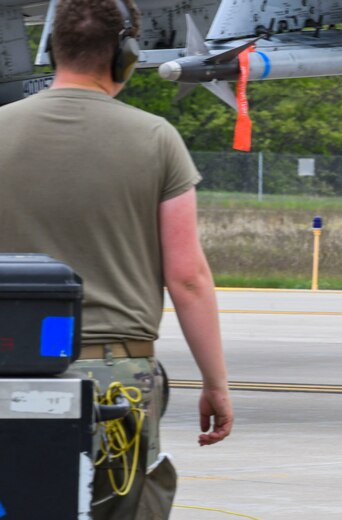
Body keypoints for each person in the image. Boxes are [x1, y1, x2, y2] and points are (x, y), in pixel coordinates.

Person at [0, 0, 233, 517]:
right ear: (125, 56)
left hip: (7, 372)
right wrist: (215, 384)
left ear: (55, 48)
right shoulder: (156, 139)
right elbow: (188, 278)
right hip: (116, 381)